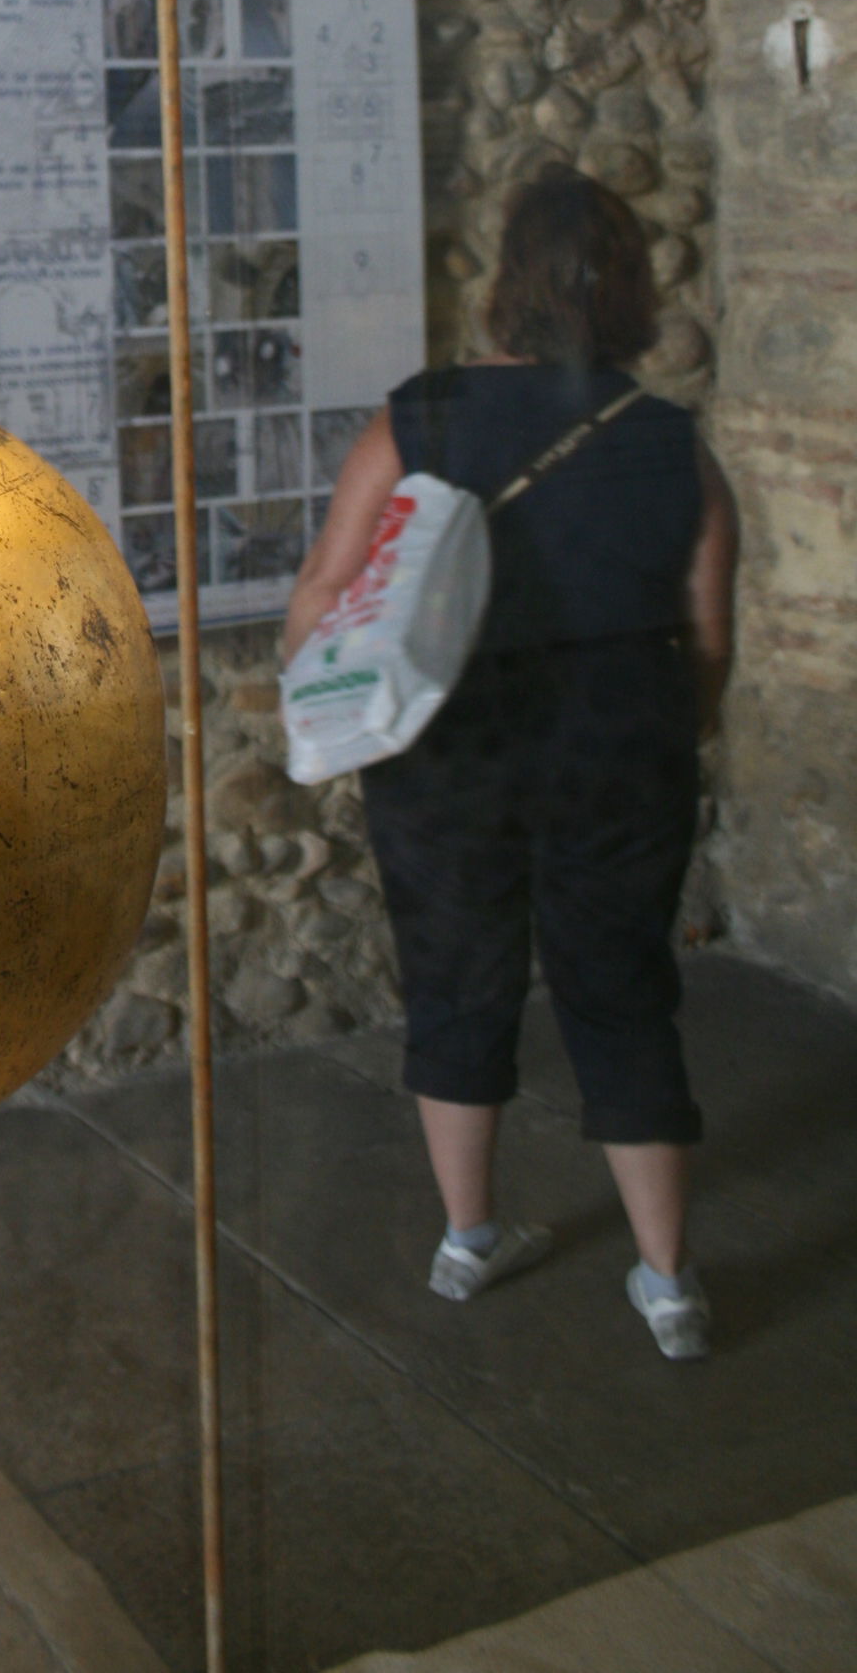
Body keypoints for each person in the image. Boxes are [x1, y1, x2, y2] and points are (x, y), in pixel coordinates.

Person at [284, 166, 738, 1360]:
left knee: (454, 980)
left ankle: (469, 1234)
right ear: (631, 288)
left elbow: (325, 595)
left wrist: (334, 689)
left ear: (503, 282)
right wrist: (658, 731)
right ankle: (666, 1277)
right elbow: (708, 633)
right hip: (618, 750)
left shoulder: (417, 419)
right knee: (623, 990)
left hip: (450, 750)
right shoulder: (666, 439)